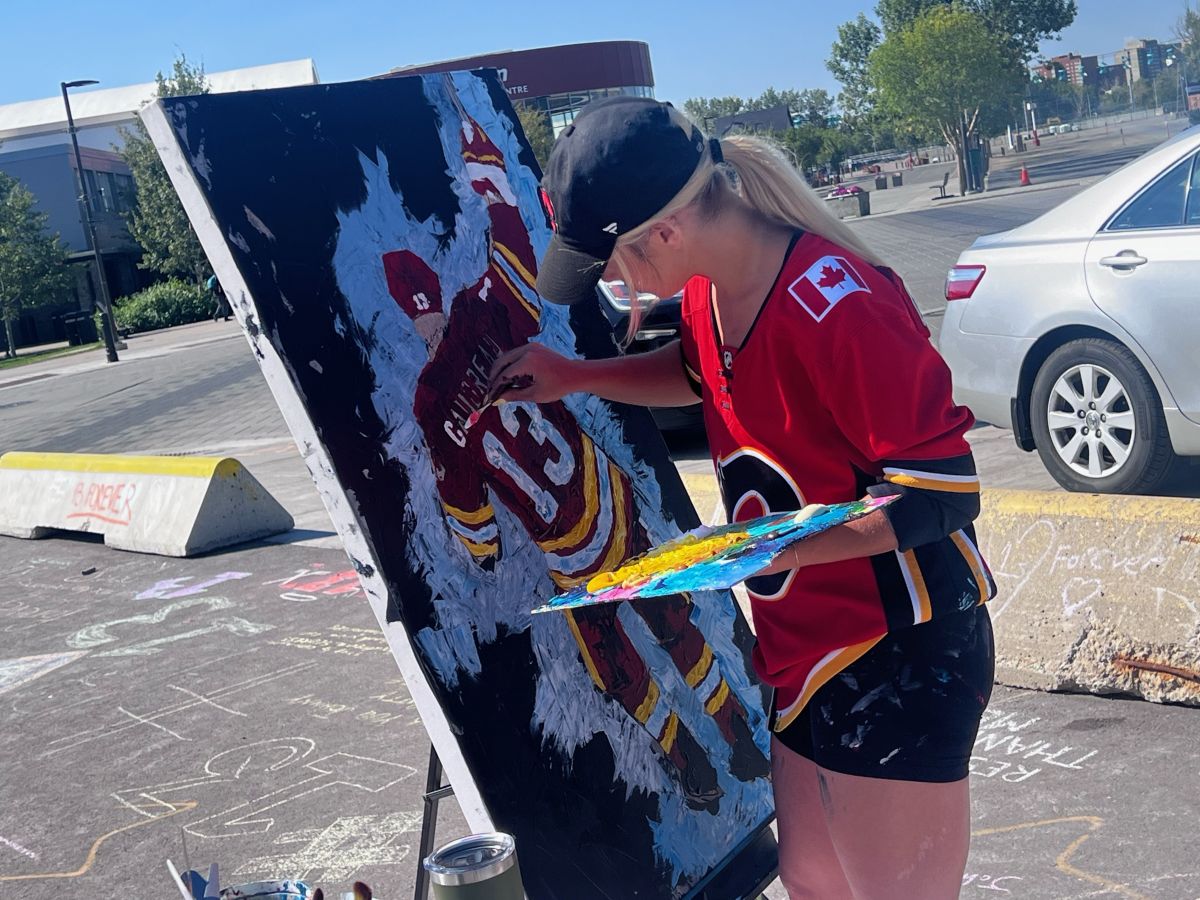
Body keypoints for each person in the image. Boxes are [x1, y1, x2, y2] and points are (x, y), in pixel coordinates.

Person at [489, 96, 997, 899]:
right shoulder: (703, 290)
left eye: (612, 260)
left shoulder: (836, 304)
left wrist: (761, 552)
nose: (613, 284)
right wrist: (576, 379)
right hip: (803, 647)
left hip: (896, 648)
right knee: (813, 883)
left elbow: (940, 495)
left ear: (666, 231)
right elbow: (698, 376)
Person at [379, 109, 769, 810]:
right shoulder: (482, 310)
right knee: (672, 616)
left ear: (409, 316)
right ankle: (736, 728)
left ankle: (687, 762)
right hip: (605, 495)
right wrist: (488, 172)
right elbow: (514, 252)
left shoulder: (431, 406)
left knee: (616, 666)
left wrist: (481, 537)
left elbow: (475, 528)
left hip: (564, 547)